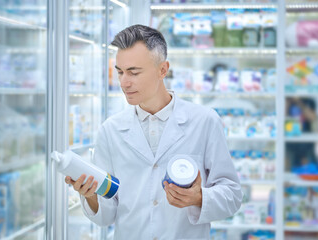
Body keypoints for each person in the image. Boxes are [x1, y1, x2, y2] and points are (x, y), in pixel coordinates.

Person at [65, 24, 242, 240]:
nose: (124, 82)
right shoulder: (110, 131)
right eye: (120, 72)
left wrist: (199, 197)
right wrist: (91, 195)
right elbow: (106, 215)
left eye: (134, 72)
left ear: (162, 70)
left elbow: (233, 195)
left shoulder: (204, 121)